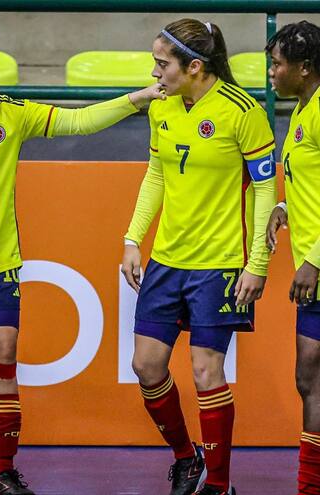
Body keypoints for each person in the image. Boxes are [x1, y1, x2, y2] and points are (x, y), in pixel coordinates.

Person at [0, 42, 162, 495]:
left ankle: (1, 473)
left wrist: (139, 98)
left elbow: (78, 120)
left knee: (3, 362)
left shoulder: (12, 115)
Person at [122, 19, 277, 495]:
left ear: (194, 66)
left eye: (162, 63)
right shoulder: (161, 108)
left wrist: (257, 263)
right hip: (168, 260)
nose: (155, 72)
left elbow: (265, 189)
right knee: (146, 366)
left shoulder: (242, 111)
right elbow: (156, 174)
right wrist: (132, 238)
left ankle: (220, 485)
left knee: (208, 371)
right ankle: (187, 458)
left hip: (221, 264)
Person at [264, 20, 320, 495]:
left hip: (316, 268)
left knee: (312, 375)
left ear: (304, 67)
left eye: (278, 64)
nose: (270, 73)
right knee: (308, 377)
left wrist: (315, 259)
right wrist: (285, 205)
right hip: (314, 276)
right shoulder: (302, 111)